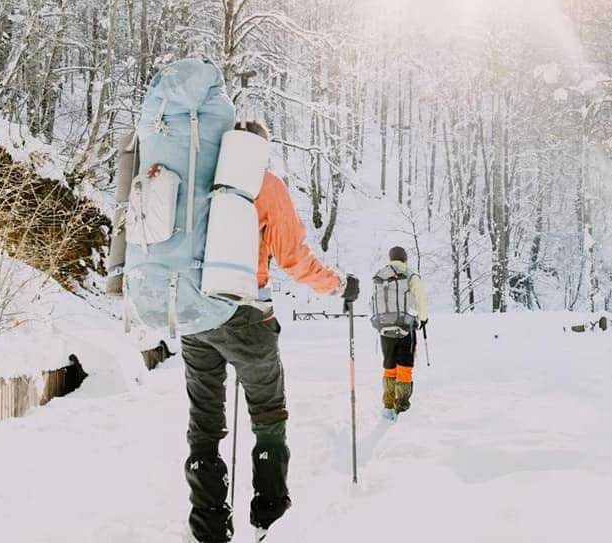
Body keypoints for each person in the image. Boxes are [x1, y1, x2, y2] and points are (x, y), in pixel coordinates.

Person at [181, 120, 359, 543]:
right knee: (268, 415)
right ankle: (270, 520)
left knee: (203, 423)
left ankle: (207, 526)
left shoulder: (195, 174)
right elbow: (294, 258)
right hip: (246, 317)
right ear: (259, 149)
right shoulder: (264, 184)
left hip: (193, 315)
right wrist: (337, 285)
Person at [372, 246, 428, 420]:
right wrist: (423, 318)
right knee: (404, 367)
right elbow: (421, 297)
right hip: (405, 328)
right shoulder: (410, 275)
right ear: (405, 259)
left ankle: (387, 406)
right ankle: (401, 407)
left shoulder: (380, 276)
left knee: (389, 367)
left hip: (384, 329)